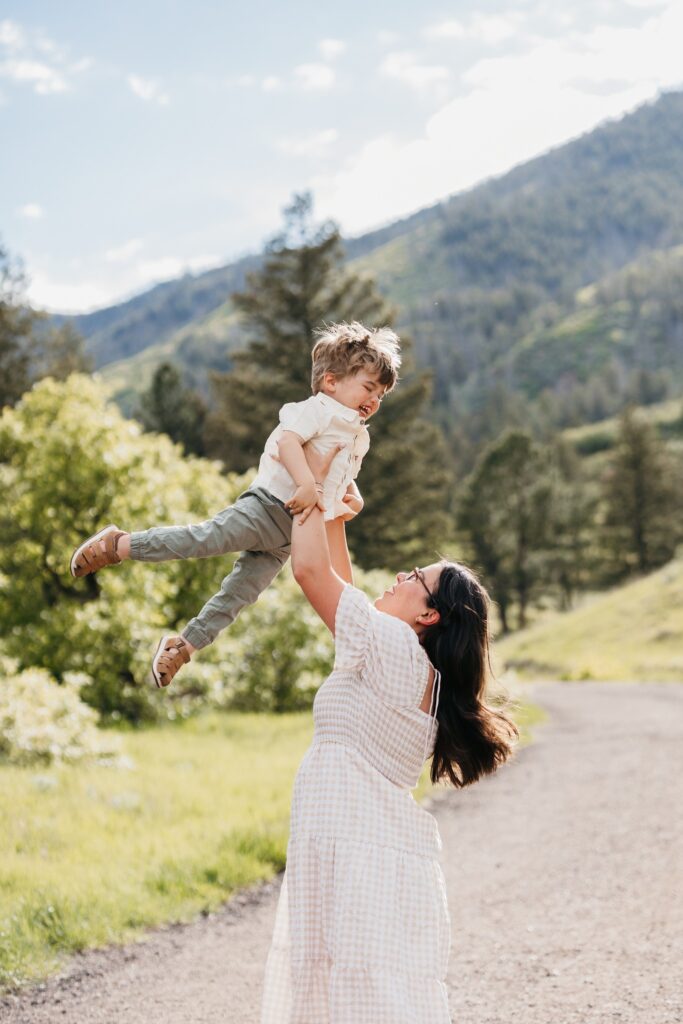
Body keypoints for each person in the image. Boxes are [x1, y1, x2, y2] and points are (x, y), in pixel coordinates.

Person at [260, 447, 518, 1023]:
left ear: (429, 617)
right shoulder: (405, 664)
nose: (401, 575)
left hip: (348, 838)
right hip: (366, 842)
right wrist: (332, 517)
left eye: (415, 579)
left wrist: (309, 487)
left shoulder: (393, 648)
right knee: (362, 995)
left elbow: (310, 573)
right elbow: (342, 591)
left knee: (338, 992)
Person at [68, 322, 400, 687]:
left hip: (290, 537)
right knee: (204, 539)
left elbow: (337, 479)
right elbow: (288, 443)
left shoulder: (358, 437)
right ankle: (119, 545)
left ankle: (183, 646)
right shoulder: (318, 410)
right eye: (369, 387)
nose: (375, 399)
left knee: (239, 595)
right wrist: (307, 482)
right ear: (331, 382)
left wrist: (351, 497)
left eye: (381, 394)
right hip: (268, 506)